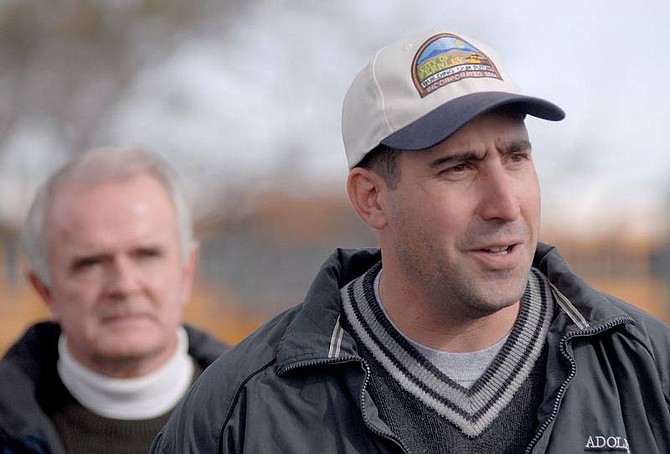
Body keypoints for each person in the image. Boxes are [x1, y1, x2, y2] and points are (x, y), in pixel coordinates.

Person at [151, 29, 670, 454]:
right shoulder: (242, 409)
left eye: (516, 157)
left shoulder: (646, 366)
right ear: (371, 198)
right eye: (458, 167)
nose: (505, 203)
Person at [0, 148, 228, 453]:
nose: (124, 285)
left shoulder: (271, 417)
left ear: (187, 271)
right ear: (45, 290)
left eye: (147, 255)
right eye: (90, 263)